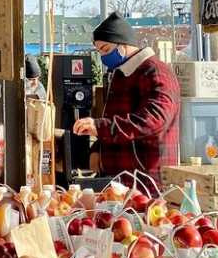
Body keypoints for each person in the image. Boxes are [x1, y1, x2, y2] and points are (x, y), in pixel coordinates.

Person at [73, 12, 180, 186]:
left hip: (148, 177)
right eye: (99, 51)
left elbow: (155, 119)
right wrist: (97, 148)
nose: (103, 56)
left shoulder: (155, 71)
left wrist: (100, 127)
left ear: (124, 44)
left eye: (106, 49)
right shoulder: (121, 73)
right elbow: (116, 117)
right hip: (122, 177)